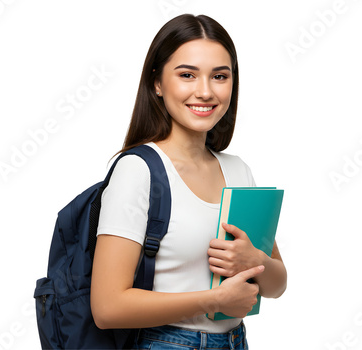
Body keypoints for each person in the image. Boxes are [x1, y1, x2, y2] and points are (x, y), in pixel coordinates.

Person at [90, 14, 287, 349]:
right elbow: (107, 307)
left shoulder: (238, 171)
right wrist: (214, 300)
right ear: (157, 83)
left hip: (236, 341)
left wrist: (257, 260)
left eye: (220, 76)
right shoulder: (138, 170)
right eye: (187, 75)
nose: (205, 91)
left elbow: (276, 285)